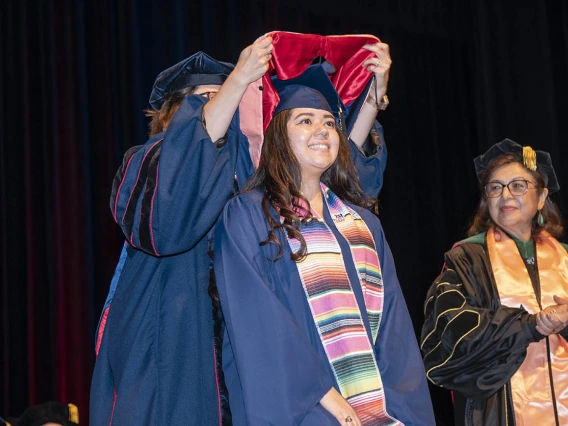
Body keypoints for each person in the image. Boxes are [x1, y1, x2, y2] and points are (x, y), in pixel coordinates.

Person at [91, 33, 394, 425]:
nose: (222, 106)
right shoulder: (148, 162)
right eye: (204, 98)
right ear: (172, 114)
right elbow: (168, 223)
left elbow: (332, 184)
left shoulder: (249, 182)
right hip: (171, 336)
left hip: (242, 347)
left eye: (226, 98)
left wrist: (372, 98)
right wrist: (237, 80)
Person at [214, 83, 435, 425]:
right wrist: (318, 392)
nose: (322, 130)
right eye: (305, 120)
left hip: (379, 409)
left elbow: (393, 325)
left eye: (329, 123)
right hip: (305, 407)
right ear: (277, 138)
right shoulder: (249, 216)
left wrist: (402, 406)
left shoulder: (363, 225)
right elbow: (257, 320)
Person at [421, 139, 568, 426]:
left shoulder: (565, 256)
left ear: (541, 197)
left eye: (518, 185)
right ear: (486, 201)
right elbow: (448, 335)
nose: (505, 195)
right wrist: (529, 326)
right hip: (499, 409)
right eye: (495, 187)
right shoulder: (466, 259)